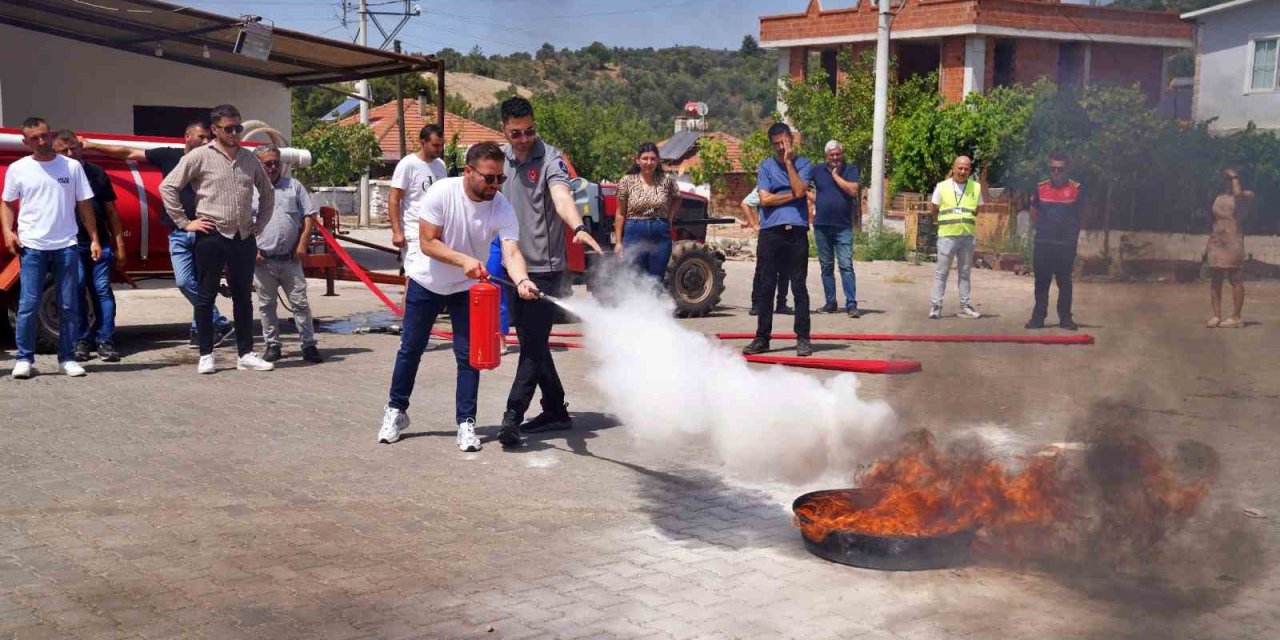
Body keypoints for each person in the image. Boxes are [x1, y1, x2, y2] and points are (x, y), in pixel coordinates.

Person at [377, 142, 541, 450]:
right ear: (468, 171)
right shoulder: (441, 193)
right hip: (427, 281)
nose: (495, 185)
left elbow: (512, 250)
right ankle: (396, 411)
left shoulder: (501, 206)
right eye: (489, 178)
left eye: (500, 179)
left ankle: (466, 423)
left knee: (468, 357)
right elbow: (427, 243)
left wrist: (522, 280)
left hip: (466, 290)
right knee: (411, 349)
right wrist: (464, 260)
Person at [496, 97, 603, 447]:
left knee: (531, 346)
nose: (524, 138)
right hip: (511, 265)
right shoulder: (498, 158)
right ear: (504, 129)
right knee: (533, 341)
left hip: (544, 268)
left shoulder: (550, 158)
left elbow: (561, 197)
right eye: (516, 133)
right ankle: (555, 409)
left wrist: (577, 227)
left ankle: (512, 415)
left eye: (529, 131)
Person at [84, 123, 235, 347]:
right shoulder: (168, 156)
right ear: (187, 136)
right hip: (179, 231)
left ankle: (200, 329)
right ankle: (218, 320)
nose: (205, 142)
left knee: (201, 284)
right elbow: (128, 153)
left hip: (206, 232)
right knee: (185, 282)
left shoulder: (213, 160)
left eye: (208, 138)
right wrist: (92, 145)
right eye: (201, 137)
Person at [160, 104, 275, 374]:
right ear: (215, 129)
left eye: (238, 128)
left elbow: (267, 193)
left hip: (243, 236)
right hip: (211, 235)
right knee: (205, 295)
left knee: (243, 297)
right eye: (229, 128)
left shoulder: (249, 158)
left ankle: (245, 353)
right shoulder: (200, 156)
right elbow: (167, 186)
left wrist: (259, 225)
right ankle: (206, 354)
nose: (235, 133)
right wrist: (185, 223)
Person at [2, 117, 100, 379]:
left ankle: (67, 358)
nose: (42, 142)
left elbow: (84, 205)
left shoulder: (71, 167)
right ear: (26, 142)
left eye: (45, 135)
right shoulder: (18, 169)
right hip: (32, 246)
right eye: (35, 138)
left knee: (69, 304)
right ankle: (24, 359)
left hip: (66, 245)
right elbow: (8, 203)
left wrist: (94, 238)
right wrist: (8, 232)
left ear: (51, 134)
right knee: (28, 304)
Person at [52, 130, 128, 362]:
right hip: (69, 245)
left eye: (74, 148)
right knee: (77, 289)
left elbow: (111, 211)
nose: (70, 153)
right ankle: (82, 341)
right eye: (64, 150)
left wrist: (120, 245)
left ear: (81, 147)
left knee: (102, 290)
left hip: (99, 244)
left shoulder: (96, 173)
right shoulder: (53, 174)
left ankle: (105, 340)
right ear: (55, 151)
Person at [742, 123, 814, 357]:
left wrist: (789, 163)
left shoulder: (803, 164)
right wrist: (792, 196)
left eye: (784, 143)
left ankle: (803, 338)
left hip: (797, 231)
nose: (781, 149)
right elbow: (764, 200)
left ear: (791, 140)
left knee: (799, 286)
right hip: (770, 231)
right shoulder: (765, 166)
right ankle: (762, 338)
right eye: (776, 145)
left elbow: (801, 191)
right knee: (766, 286)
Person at [252, 145, 323, 364]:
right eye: (268, 163)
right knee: (266, 306)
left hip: (290, 260)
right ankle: (273, 345)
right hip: (263, 262)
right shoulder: (248, 191)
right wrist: (250, 250)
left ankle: (308, 344)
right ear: (258, 165)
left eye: (276, 162)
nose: (273, 167)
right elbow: (241, 223)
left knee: (300, 303)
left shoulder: (294, 186)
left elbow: (310, 215)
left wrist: (302, 243)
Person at [1026, 154, 1083, 330]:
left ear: (1067, 170)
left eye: (1060, 169)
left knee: (1065, 282)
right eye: (1053, 169)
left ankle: (1065, 319)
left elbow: (1084, 213)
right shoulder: (1040, 188)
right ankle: (1038, 318)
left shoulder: (1076, 189)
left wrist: (1072, 234)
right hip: (1044, 243)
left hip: (1065, 245)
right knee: (1041, 282)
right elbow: (1034, 213)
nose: (1056, 172)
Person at [614, 141, 681, 284]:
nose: (649, 162)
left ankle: (653, 306)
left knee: (656, 280)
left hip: (660, 234)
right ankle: (634, 306)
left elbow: (678, 198)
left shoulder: (666, 181)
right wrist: (618, 242)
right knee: (633, 278)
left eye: (653, 159)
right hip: (634, 232)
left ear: (657, 161)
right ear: (637, 160)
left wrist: (669, 218)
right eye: (645, 158)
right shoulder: (627, 181)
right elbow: (620, 213)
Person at [810, 140, 861, 318]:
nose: (835, 158)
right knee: (826, 266)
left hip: (843, 227)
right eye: (831, 155)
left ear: (842, 153)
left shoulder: (850, 169)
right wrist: (815, 199)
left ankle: (851, 304)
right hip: (822, 226)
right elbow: (803, 187)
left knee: (846, 265)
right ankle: (830, 302)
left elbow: (853, 190)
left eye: (838, 154)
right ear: (826, 156)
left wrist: (835, 176)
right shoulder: (816, 170)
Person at [928, 155, 984, 320]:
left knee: (965, 272)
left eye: (966, 168)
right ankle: (936, 306)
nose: (962, 171)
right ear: (954, 168)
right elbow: (934, 208)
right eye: (960, 168)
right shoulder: (942, 186)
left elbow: (977, 209)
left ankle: (965, 306)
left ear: (970, 170)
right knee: (941, 273)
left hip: (967, 236)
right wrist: (941, 223)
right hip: (947, 236)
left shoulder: (976, 187)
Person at [1205, 167, 1254, 329]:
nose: (1227, 181)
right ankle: (1216, 315)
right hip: (1217, 238)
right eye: (1226, 178)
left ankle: (1236, 316)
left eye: (1230, 178)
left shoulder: (1246, 195)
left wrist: (1235, 176)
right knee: (1215, 279)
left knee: (1235, 278)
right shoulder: (1218, 197)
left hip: (1234, 237)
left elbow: (1238, 194)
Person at [388, 124, 448, 256]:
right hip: (414, 234)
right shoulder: (408, 164)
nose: (440, 149)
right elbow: (394, 198)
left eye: (441, 145)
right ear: (423, 143)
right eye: (435, 145)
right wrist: (397, 232)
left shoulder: (441, 165)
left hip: (436, 234)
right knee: (415, 274)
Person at [741, 187, 790, 316]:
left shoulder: (787, 185)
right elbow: (745, 203)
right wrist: (753, 224)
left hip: (787, 231)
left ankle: (781, 304)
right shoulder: (764, 187)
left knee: (785, 270)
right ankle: (757, 304)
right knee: (762, 270)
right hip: (768, 232)